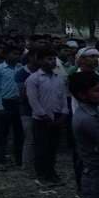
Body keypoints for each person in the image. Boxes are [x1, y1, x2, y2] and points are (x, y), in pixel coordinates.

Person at [26, 48, 68, 185]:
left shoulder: (59, 78)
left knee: (53, 147)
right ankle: (42, 174)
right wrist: (43, 115)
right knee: (41, 148)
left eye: (53, 59)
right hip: (41, 120)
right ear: (39, 61)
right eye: (48, 59)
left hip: (57, 118)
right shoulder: (34, 78)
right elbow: (33, 100)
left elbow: (62, 97)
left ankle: (52, 172)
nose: (52, 61)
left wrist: (64, 113)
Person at [0, 45, 24, 167]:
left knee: (19, 132)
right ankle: (0, 158)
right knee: (1, 133)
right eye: (13, 53)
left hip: (18, 103)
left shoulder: (21, 68)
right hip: (5, 102)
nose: (16, 56)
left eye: (18, 54)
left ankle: (19, 158)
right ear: (5, 55)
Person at [16, 50, 39, 175]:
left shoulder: (42, 73)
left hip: (41, 111)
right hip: (27, 111)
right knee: (30, 139)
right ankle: (26, 166)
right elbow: (21, 96)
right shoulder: (21, 73)